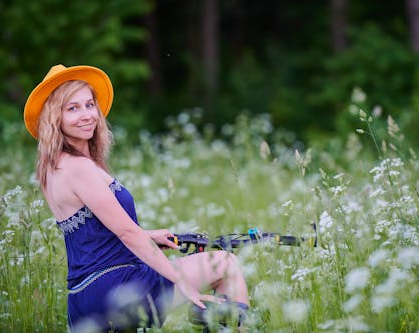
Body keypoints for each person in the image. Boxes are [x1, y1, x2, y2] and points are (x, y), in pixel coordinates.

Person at [23, 64, 250, 332]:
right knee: (225, 262)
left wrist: (150, 235)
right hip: (117, 287)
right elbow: (127, 233)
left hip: (82, 299)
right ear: (54, 117)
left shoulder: (53, 168)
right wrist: (182, 283)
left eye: (89, 105)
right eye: (72, 108)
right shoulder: (79, 168)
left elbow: (92, 230)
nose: (86, 115)